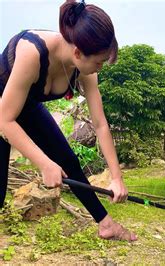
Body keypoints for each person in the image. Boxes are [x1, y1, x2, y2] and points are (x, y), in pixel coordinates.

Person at [0, 0, 137, 241]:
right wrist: (44, 163)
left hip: (27, 106)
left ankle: (106, 225)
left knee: (67, 160)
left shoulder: (84, 69)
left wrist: (117, 177)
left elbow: (100, 124)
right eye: (98, 62)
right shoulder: (33, 52)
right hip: (3, 110)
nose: (100, 68)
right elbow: (5, 119)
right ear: (77, 52)